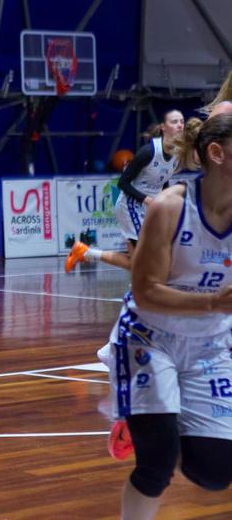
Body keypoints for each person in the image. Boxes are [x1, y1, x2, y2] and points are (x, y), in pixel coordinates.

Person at [97, 105, 232, 520]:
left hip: (209, 345)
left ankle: (149, 421)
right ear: (217, 153)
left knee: (214, 471)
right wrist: (211, 301)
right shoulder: (170, 207)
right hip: (148, 339)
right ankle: (145, 424)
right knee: (157, 464)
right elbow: (146, 291)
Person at [66, 110, 185, 273]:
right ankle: (137, 292)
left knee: (137, 263)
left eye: (182, 121)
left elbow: (162, 181)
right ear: (163, 127)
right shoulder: (148, 152)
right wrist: (148, 200)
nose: (179, 124)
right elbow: (123, 183)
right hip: (131, 205)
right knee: (147, 259)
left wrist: (167, 198)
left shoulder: (177, 154)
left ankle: (85, 252)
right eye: (174, 121)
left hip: (150, 207)